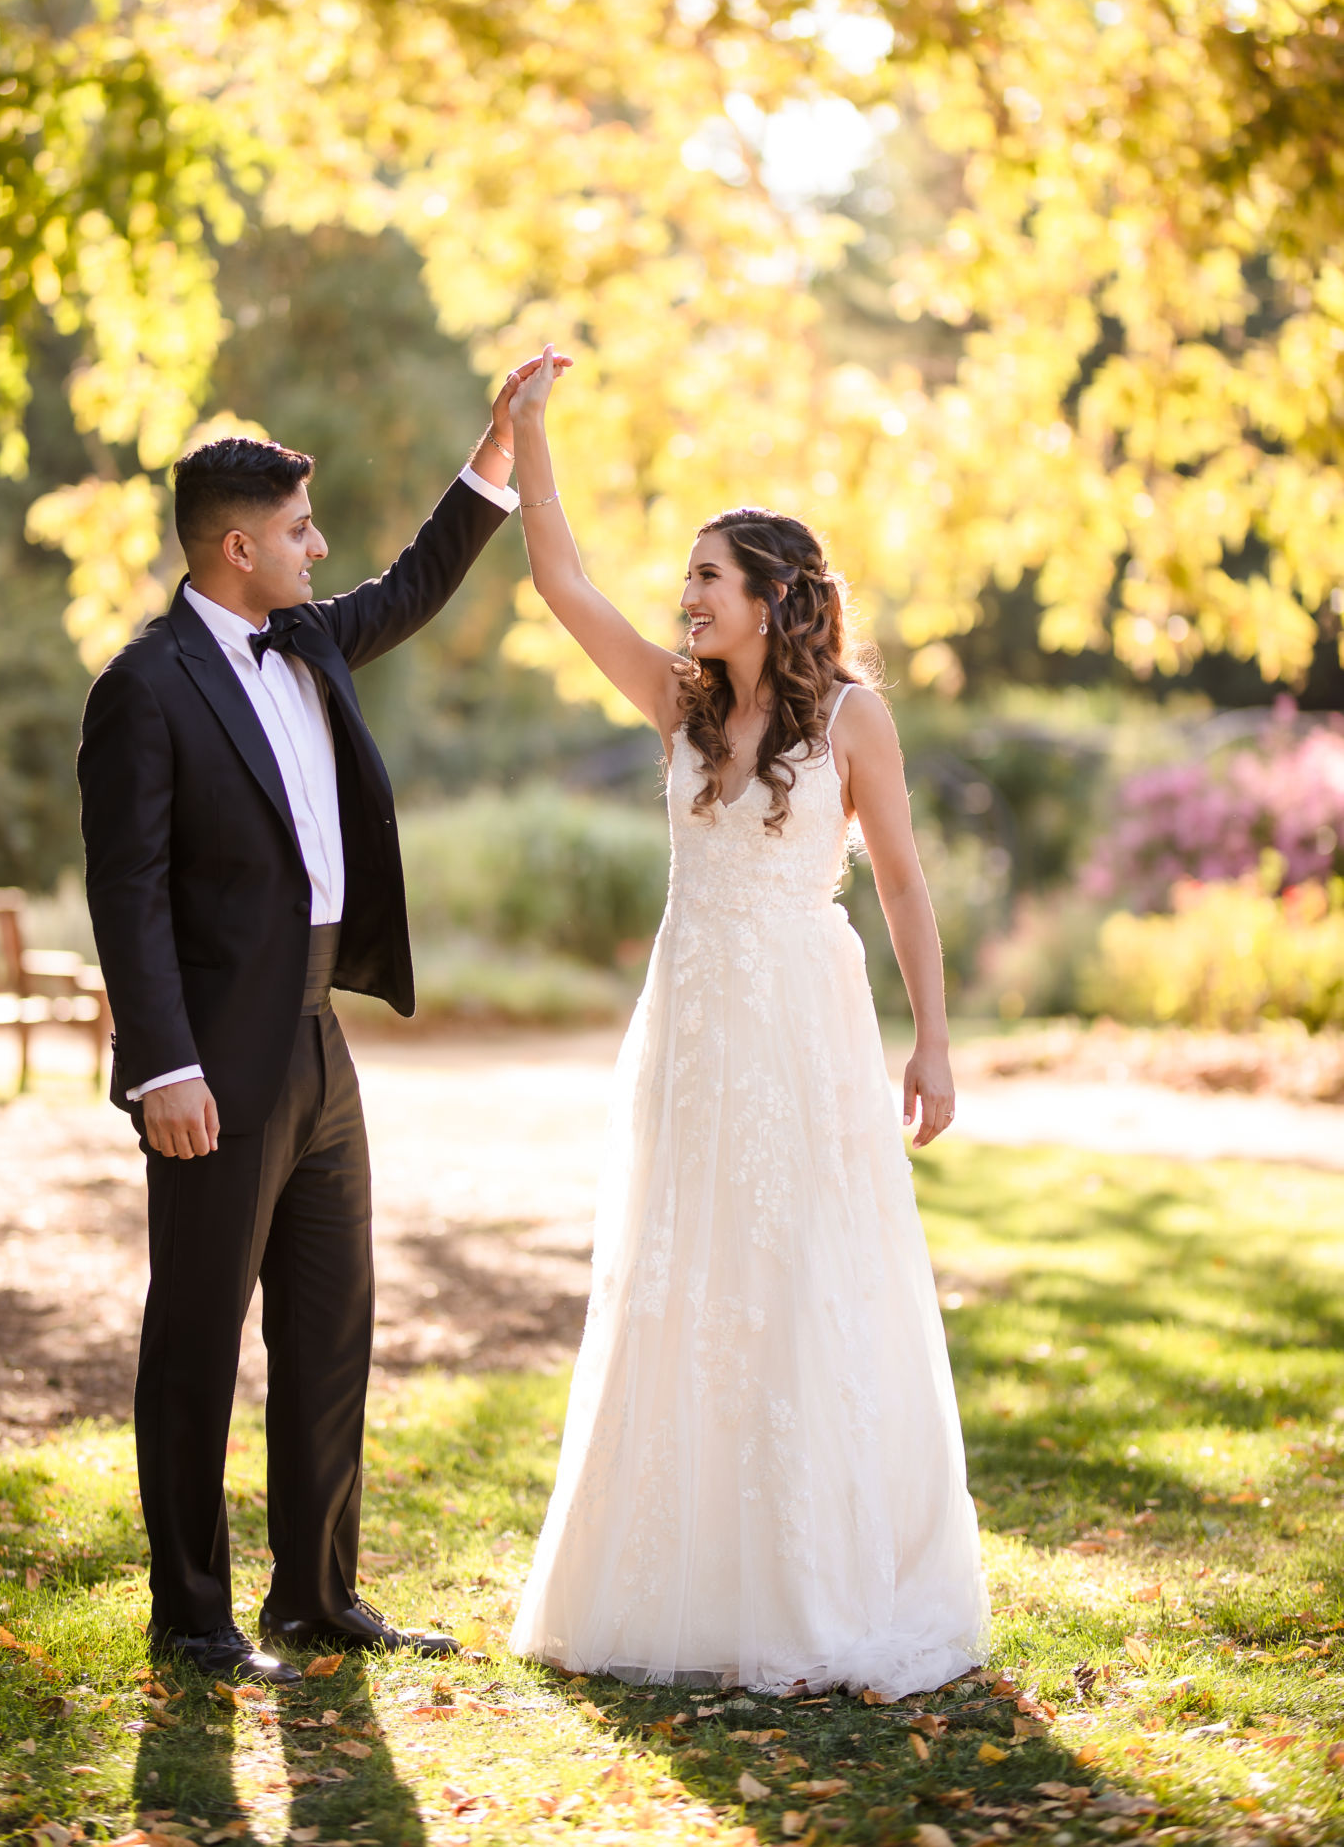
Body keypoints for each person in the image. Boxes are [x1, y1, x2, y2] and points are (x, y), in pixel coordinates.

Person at [504, 349, 988, 1696]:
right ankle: (685, 1578)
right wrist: (529, 433)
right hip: (694, 1021)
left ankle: (816, 1577)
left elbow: (901, 879)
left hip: (804, 1019)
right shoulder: (679, 700)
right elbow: (561, 583)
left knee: (803, 1272)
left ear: (775, 594)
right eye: (690, 576)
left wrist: (933, 1040)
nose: (688, 593)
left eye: (710, 575)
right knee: (684, 1270)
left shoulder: (851, 714)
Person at [77, 373, 554, 1682]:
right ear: (240, 545)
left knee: (332, 1322)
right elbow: (124, 886)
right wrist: (160, 1063)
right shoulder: (147, 686)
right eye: (299, 528)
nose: (318, 546)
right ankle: (191, 1615)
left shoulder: (311, 640)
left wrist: (494, 454)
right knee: (196, 1334)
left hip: (318, 1044)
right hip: (212, 1060)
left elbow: (409, 580)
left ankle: (317, 1594)